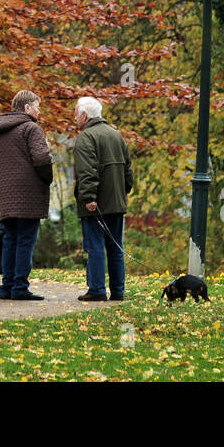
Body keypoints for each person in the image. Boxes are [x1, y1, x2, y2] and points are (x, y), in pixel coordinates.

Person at [0, 89, 53, 300]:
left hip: (7, 196)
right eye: (38, 107)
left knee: (10, 239)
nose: (39, 111)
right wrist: (46, 178)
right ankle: (20, 287)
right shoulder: (31, 128)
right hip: (29, 196)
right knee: (25, 240)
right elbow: (42, 159)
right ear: (27, 108)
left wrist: (3, 178)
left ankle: (7, 287)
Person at [72, 96, 133, 301]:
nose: (74, 118)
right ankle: (118, 291)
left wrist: (88, 197)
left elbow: (86, 172)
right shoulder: (116, 136)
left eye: (76, 114)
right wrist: (123, 192)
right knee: (116, 247)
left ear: (84, 115)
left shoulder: (85, 138)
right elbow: (128, 170)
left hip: (95, 205)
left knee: (95, 247)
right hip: (116, 202)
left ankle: (97, 290)